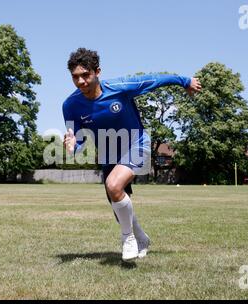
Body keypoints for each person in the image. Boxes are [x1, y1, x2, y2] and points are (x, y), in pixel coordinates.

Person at [62, 48, 201, 261]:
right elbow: (78, 138)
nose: (80, 81)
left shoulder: (119, 88)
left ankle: (127, 239)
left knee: (113, 186)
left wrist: (184, 81)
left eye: (85, 75)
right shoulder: (70, 105)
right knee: (117, 201)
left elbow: (153, 80)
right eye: (75, 77)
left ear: (97, 71)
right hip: (109, 153)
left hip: (136, 144)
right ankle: (141, 238)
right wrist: (73, 145)